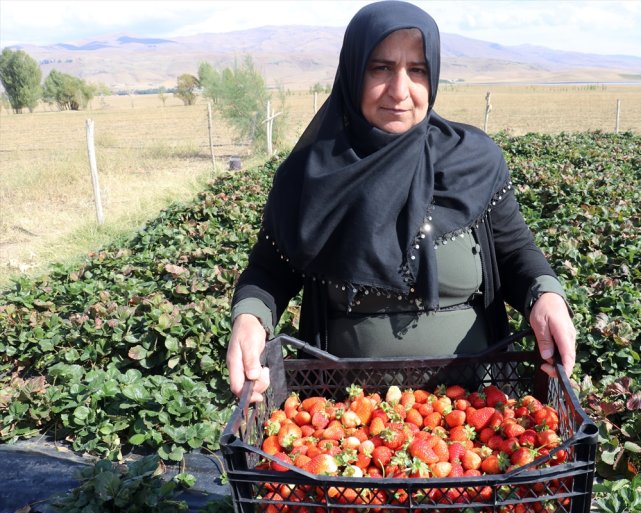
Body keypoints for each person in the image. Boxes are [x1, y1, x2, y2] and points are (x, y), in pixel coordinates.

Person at [227, 0, 576, 403]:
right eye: (381, 68)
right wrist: (250, 318)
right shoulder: (308, 176)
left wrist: (545, 295)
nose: (400, 90)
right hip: (347, 420)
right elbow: (270, 271)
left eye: (417, 70)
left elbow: (516, 252)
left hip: (473, 411)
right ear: (353, 73)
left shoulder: (473, 162)